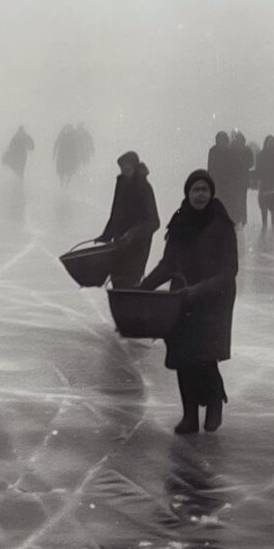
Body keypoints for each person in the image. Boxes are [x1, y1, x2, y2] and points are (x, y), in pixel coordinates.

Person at [140, 169, 239, 435]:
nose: (200, 195)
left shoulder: (221, 225)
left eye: (204, 190)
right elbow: (167, 265)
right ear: (187, 193)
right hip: (181, 299)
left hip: (214, 300)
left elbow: (229, 271)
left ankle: (215, 401)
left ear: (211, 193)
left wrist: (197, 291)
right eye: (196, 190)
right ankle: (190, 416)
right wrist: (143, 288)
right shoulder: (179, 222)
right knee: (183, 358)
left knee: (205, 357)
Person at [96, 151, 160, 286]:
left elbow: (154, 222)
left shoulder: (144, 187)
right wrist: (106, 235)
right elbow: (115, 214)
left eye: (128, 167)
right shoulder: (121, 184)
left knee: (130, 283)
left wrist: (133, 233)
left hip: (138, 247)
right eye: (122, 167)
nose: (125, 170)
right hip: (119, 244)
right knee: (117, 281)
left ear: (135, 167)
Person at [255, 134, 274, 228]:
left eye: (271, 142)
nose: (269, 144)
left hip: (273, 179)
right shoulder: (262, 153)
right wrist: (257, 179)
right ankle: (265, 221)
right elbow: (258, 167)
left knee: (273, 200)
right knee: (263, 201)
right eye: (268, 142)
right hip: (264, 179)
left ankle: (273, 221)